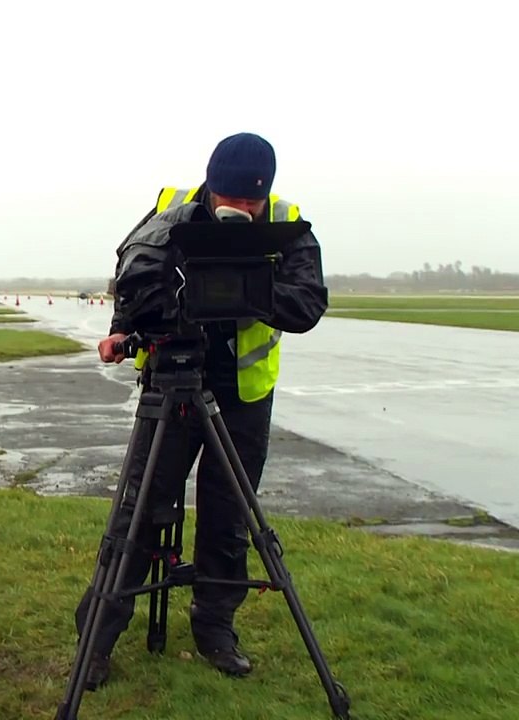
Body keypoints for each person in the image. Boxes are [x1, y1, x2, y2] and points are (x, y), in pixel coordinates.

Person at [73, 132, 328, 688]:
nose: (240, 208)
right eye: (229, 197)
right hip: (170, 380)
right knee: (137, 513)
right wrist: (123, 329)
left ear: (268, 194)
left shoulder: (288, 223)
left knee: (228, 520)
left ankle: (215, 628)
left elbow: (309, 303)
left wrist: (245, 289)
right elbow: (133, 274)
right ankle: (97, 635)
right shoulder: (171, 208)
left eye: (252, 202)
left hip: (242, 397)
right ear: (210, 184)